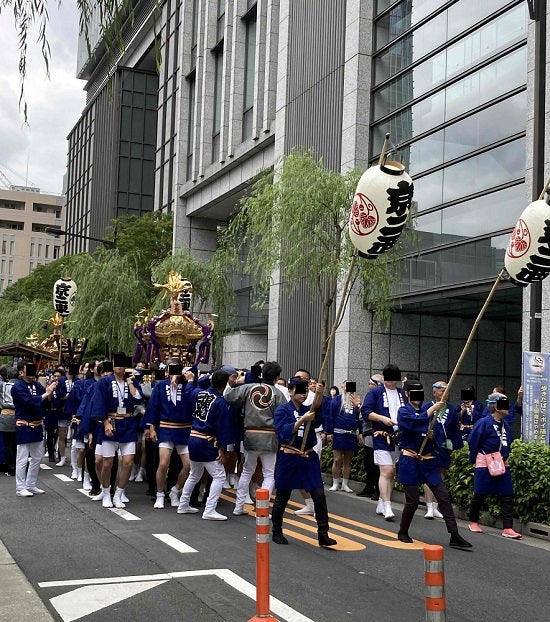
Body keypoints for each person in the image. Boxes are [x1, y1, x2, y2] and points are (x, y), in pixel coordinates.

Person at [396, 383, 472, 549]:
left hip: (428, 461)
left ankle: (454, 534)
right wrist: (430, 414)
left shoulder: (431, 411)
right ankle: (403, 531)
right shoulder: (404, 411)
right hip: (410, 460)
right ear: (407, 394)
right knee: (413, 500)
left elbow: (438, 433)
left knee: (443, 496)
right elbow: (413, 423)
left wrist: (431, 436)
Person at [271, 377, 337, 547]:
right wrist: (301, 420)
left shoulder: (309, 409)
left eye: (305, 390)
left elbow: (318, 411)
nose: (302, 394)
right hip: (289, 457)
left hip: (308, 457)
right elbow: (283, 433)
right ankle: (277, 531)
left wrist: (320, 393)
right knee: (282, 497)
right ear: (290, 391)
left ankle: (323, 534)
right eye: (299, 390)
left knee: (319, 495)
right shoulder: (282, 410)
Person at [224, 361, 286, 515]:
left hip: (250, 434)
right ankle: (263, 508)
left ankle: (239, 507)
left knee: (247, 471)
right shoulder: (278, 394)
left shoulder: (248, 388)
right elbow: (285, 415)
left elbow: (229, 396)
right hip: (270, 436)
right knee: (269, 473)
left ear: (262, 374)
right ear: (277, 377)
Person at [177, 369, 233, 520]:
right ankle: (209, 509)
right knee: (220, 476)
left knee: (194, 474)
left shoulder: (198, 393)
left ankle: (183, 504)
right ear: (226, 383)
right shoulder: (220, 402)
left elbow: (189, 391)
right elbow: (223, 428)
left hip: (193, 437)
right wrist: (222, 448)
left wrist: (191, 380)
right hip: (206, 441)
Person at [90, 354, 143, 509]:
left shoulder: (132, 381)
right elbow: (99, 403)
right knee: (107, 463)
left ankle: (119, 493)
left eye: (123, 364)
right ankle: (106, 492)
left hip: (128, 423)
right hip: (111, 422)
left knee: (128, 462)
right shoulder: (105, 382)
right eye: (118, 364)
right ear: (113, 366)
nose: (120, 367)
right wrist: (105, 422)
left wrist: (130, 381)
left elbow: (138, 398)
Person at [467, 393, 522, 539]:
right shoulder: (484, 422)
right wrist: (473, 460)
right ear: (496, 406)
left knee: (506, 494)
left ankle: (508, 528)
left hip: (502, 462)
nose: (507, 407)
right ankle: (473, 521)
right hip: (484, 461)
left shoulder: (505, 424)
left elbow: (508, 442)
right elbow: (473, 442)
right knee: (480, 493)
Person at [143, 359, 195, 509]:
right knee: (163, 463)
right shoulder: (160, 386)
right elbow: (154, 407)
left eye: (176, 369)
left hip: (184, 429)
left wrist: (188, 378)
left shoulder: (187, 385)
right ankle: (160, 493)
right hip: (165, 427)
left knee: (188, 465)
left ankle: (174, 490)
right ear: (166, 371)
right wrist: (151, 427)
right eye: (171, 369)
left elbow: (192, 399)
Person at [360, 364, 405, 520]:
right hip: (381, 436)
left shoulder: (402, 393)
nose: (391, 382)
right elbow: (365, 411)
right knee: (387, 471)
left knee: (391, 472)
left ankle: (382, 501)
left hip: (399, 437)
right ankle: (387, 505)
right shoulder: (376, 392)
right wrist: (382, 418)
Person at [12, 361, 58, 497]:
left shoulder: (37, 385)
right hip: (24, 424)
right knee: (22, 457)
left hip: (37, 424)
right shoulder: (17, 387)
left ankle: (31, 484)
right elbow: (29, 402)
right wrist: (46, 393)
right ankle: (20, 487)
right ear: (21, 372)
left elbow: (45, 402)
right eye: (29, 370)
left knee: (37, 456)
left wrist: (50, 393)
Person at [423, 380, 463, 520]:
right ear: (435, 392)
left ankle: (435, 506)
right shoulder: (428, 406)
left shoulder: (451, 409)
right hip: (430, 445)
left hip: (445, 445)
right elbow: (420, 422)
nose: (445, 392)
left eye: (447, 390)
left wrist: (455, 448)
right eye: (442, 390)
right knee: (429, 475)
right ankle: (429, 506)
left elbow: (455, 430)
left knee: (440, 474)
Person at [326, 380, 362, 493]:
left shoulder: (357, 401)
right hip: (338, 432)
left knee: (348, 460)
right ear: (342, 387)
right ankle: (335, 483)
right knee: (337, 459)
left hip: (351, 433)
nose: (348, 388)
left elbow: (360, 418)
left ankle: (345, 484)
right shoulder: (336, 400)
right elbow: (330, 416)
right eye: (346, 385)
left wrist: (360, 432)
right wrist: (329, 432)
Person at [356, 375, 383, 498]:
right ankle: (369, 486)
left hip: (376, 433)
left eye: (371, 384)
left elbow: (370, 413)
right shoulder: (371, 396)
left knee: (375, 464)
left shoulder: (381, 397)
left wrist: (360, 407)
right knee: (368, 463)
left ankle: (378, 490)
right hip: (367, 433)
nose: (369, 386)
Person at [0, 366, 18, 477]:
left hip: (6, 415)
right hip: (19, 415)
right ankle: (18, 466)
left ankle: (10, 467)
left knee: (7, 444)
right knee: (17, 443)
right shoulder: (22, 385)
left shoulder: (3, 385)